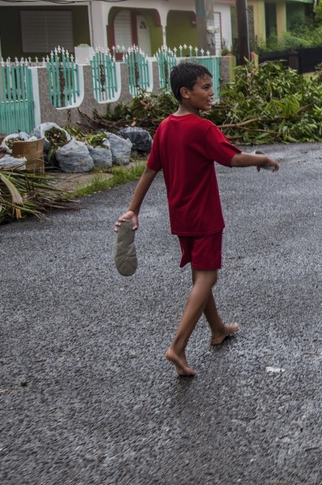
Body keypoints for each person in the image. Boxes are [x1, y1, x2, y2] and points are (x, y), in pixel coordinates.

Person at [115, 62, 280, 377]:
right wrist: (262, 158)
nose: (211, 92)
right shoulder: (203, 128)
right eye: (205, 87)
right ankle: (177, 347)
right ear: (185, 93)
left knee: (199, 276)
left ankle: (217, 328)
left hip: (180, 217)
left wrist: (133, 209)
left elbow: (150, 170)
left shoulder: (164, 128)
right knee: (207, 277)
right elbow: (231, 158)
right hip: (204, 217)